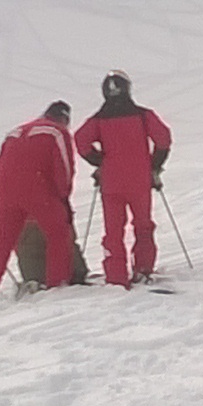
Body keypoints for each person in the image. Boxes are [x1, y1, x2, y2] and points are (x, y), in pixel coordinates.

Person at [72, 70, 172, 285]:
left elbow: (80, 140)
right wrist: (154, 165)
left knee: (113, 230)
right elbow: (163, 139)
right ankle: (143, 269)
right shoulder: (143, 115)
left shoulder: (99, 119)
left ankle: (116, 276)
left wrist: (100, 161)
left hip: (111, 182)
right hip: (140, 180)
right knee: (143, 225)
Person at [0, 102, 77, 304]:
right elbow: (64, 167)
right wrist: (63, 196)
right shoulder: (57, 132)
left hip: (5, 193)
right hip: (38, 190)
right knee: (58, 234)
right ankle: (57, 286)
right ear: (64, 118)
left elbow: (0, 163)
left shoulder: (15, 132)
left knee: (0, 244)